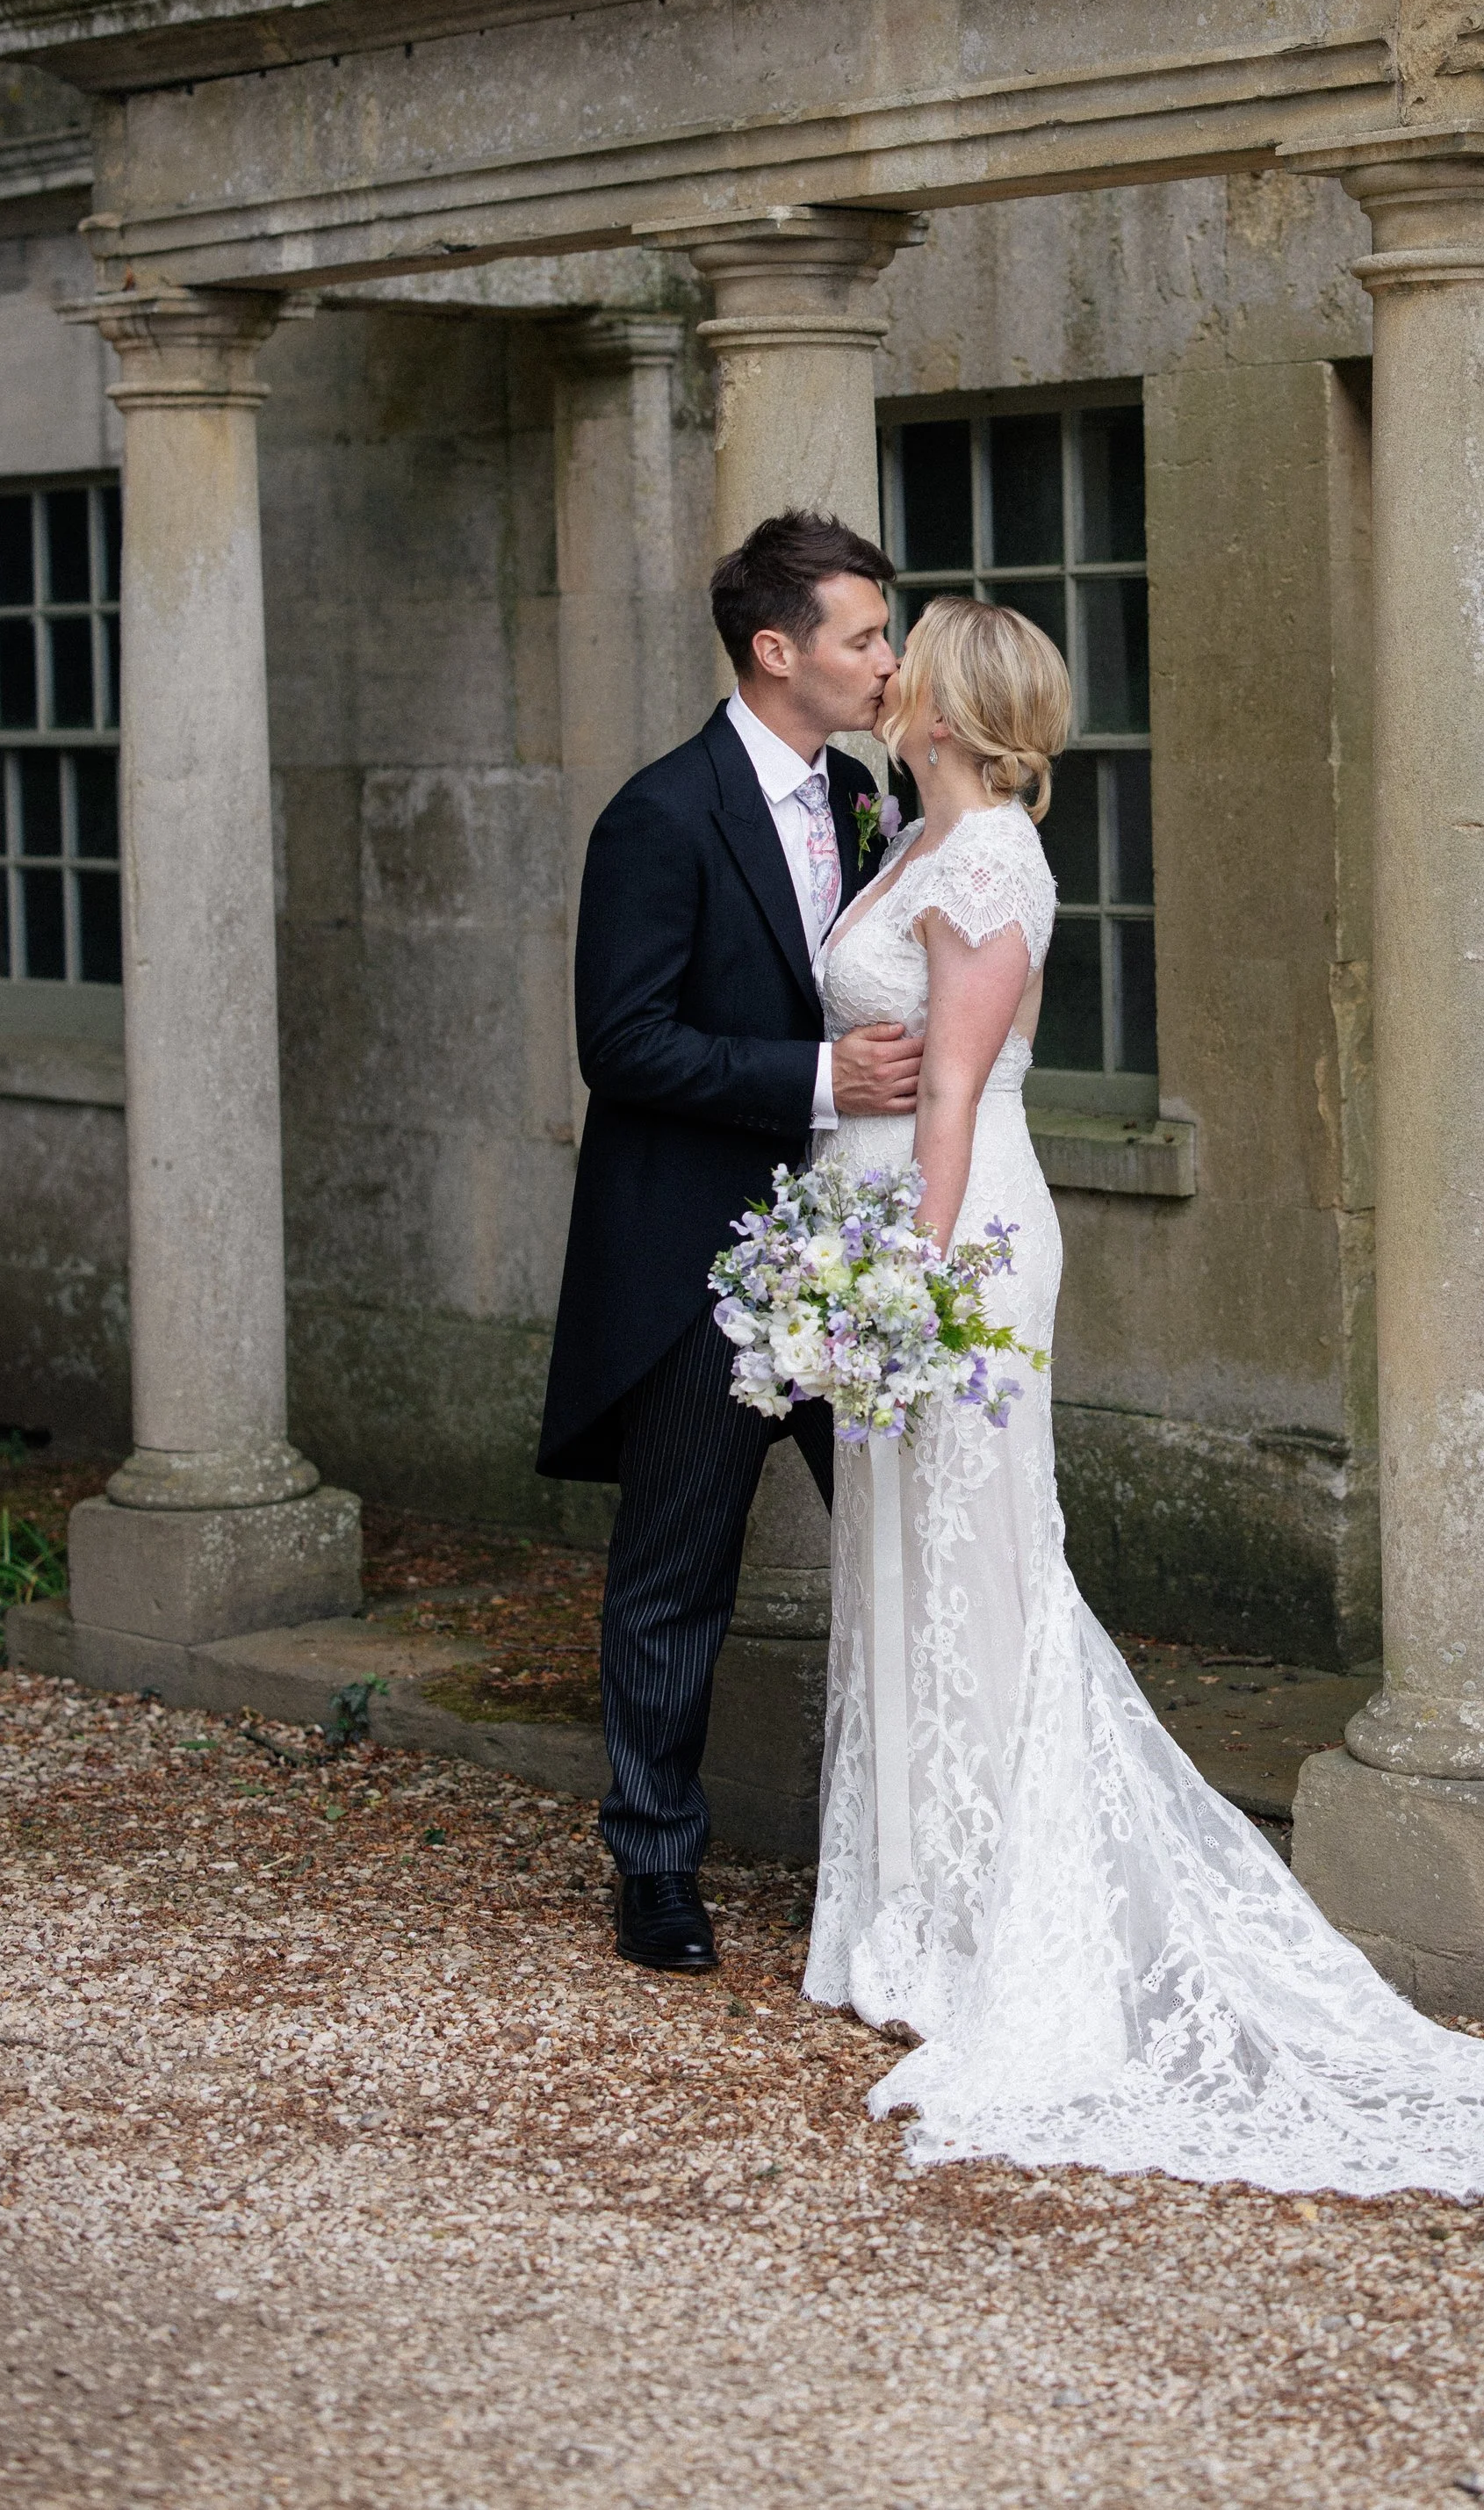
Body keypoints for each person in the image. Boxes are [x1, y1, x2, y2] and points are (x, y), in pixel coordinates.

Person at [802, 594, 1484, 2197]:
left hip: (950, 1238)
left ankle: (994, 1918)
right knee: (898, 1563)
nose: (883, 680)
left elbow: (954, 1088)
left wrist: (916, 1287)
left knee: (978, 1564)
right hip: (883, 1224)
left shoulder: (986, 862)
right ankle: (907, 1906)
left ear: (949, 711)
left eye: (908, 667)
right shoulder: (909, 837)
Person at [538, 510, 925, 1976]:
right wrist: (824, 1083)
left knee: (910, 1537)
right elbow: (620, 1044)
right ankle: (654, 1863)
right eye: (864, 635)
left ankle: (923, 1846)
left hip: (861, 1257)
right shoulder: (658, 812)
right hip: (706, 1263)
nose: (886, 658)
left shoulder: (882, 802)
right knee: (676, 1568)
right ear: (778, 651)